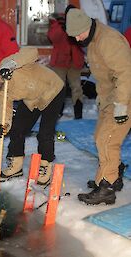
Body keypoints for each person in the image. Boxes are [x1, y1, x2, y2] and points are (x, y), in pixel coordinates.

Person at [66, 9, 131, 205]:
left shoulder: (108, 40)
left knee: (108, 140)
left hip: (124, 97)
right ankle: (110, 175)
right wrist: (102, 99)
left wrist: (121, 106)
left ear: (87, 26)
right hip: (110, 97)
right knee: (99, 137)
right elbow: (105, 75)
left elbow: (125, 74)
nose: (77, 39)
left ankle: (108, 187)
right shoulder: (92, 39)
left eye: (79, 34)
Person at [0, 48, 65, 184]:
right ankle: (16, 165)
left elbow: (32, 52)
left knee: (45, 133)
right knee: (17, 128)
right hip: (33, 99)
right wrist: (3, 125)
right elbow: (4, 107)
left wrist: (9, 65)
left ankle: (45, 165)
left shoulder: (7, 64)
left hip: (52, 90)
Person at [47, 9, 85, 119]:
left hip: (74, 61)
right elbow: (52, 38)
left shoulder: (79, 24)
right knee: (59, 87)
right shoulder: (57, 24)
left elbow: (83, 41)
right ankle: (58, 112)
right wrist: (61, 27)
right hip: (60, 62)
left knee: (76, 88)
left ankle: (78, 114)